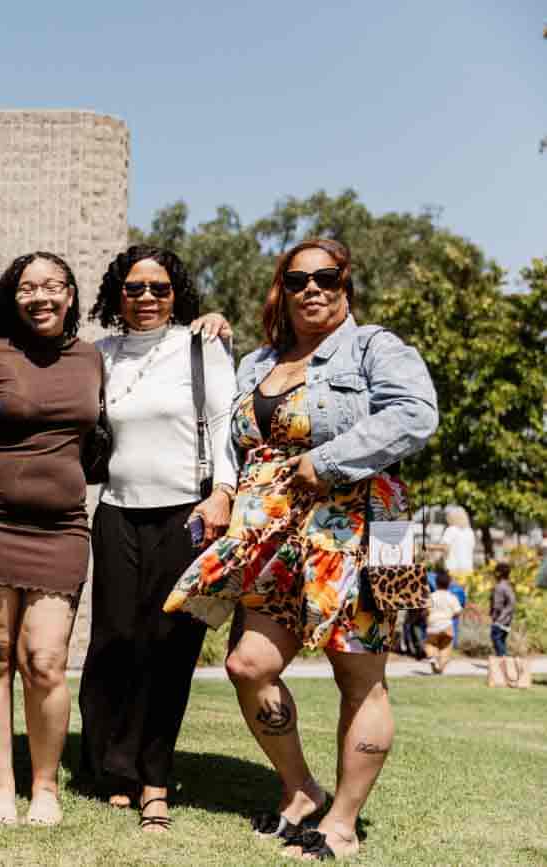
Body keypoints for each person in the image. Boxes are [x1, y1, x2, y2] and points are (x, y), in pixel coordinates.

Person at [164, 238, 438, 860]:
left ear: (346, 284)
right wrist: (223, 493)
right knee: (248, 666)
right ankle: (301, 789)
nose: (313, 288)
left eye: (327, 277)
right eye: (298, 279)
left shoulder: (376, 347)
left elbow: (418, 414)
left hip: (372, 528)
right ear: (281, 289)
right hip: (273, 533)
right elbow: (231, 442)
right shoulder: (257, 361)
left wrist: (329, 461)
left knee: (362, 678)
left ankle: (341, 823)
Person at [77, 245, 238, 834]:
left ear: (177, 294)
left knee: (169, 646)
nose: (147, 298)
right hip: (116, 510)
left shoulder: (203, 347)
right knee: (114, 640)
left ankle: (153, 778)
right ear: (116, 294)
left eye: (160, 288)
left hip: (187, 515)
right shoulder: (101, 354)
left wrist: (223, 492)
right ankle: (109, 763)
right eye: (135, 288)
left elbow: (225, 427)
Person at [0, 252, 101, 827]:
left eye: (52, 286)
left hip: (62, 526)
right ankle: (1, 782)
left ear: (70, 295)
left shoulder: (94, 357)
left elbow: (153, 354)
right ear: (13, 298)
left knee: (45, 661)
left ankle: (45, 787)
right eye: (27, 288)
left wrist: (206, 321)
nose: (40, 297)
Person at [424, 570, 463, 673]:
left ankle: (432, 658)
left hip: (433, 625)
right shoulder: (452, 597)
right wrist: (452, 616)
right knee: (446, 648)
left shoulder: (431, 597)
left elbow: (426, 610)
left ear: (436, 583)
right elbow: (458, 611)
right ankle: (440, 667)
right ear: (449, 584)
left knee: (430, 644)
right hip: (447, 625)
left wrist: (426, 617)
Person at [438, 505, 476, 577]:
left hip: (453, 570)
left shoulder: (451, 530)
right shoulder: (470, 532)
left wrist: (428, 547)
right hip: (468, 569)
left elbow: (445, 548)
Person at [489, 562, 516, 658]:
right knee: (500, 640)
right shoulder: (507, 586)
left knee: (496, 638)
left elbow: (511, 603)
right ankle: (504, 662)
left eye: (495, 572)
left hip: (501, 620)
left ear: (498, 573)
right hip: (505, 619)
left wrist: (500, 617)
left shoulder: (501, 586)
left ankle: (503, 660)